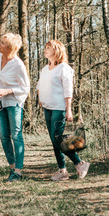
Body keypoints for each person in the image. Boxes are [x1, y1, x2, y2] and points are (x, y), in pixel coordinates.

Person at [37, 40, 90, 181]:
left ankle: (80, 163)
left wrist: (69, 110)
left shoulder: (63, 68)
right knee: (54, 141)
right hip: (47, 108)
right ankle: (63, 171)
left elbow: (68, 90)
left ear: (57, 51)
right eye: (46, 47)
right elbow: (39, 85)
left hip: (59, 108)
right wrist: (40, 98)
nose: (45, 50)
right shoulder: (44, 69)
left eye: (49, 48)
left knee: (58, 140)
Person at [0, 33, 30, 182]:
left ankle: (18, 171)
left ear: (10, 48)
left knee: (16, 135)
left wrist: (7, 91)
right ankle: (12, 168)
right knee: (4, 136)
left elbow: (25, 87)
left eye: (2, 43)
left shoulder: (18, 65)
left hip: (14, 103)